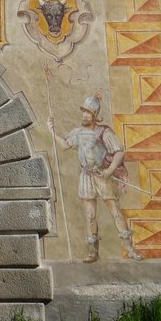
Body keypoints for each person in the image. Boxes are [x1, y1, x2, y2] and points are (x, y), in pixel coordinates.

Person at [48, 94, 143, 262]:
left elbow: (119, 151)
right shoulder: (78, 132)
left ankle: (129, 248)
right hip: (86, 177)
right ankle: (93, 251)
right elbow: (64, 145)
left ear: (95, 115)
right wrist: (52, 131)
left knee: (115, 212)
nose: (85, 115)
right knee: (90, 216)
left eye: (89, 112)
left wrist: (110, 170)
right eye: (84, 111)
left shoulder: (103, 132)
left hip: (102, 176)